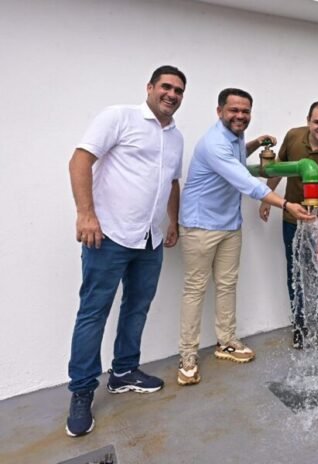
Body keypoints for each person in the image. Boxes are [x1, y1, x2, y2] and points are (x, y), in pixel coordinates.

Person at [66, 65, 187, 437]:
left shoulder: (176, 137)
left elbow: (171, 182)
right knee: (93, 312)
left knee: (137, 306)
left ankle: (123, 371)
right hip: (109, 236)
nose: (171, 94)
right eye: (166, 86)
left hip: (150, 240)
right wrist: (86, 214)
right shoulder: (119, 117)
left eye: (178, 90)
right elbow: (80, 160)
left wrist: (173, 221)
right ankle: (82, 391)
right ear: (150, 87)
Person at [177, 88, 314, 386]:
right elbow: (247, 182)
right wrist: (286, 204)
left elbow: (238, 158)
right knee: (195, 288)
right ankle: (187, 355)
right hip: (201, 225)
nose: (240, 116)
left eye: (245, 111)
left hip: (229, 223)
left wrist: (254, 143)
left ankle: (226, 341)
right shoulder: (214, 143)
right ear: (219, 112)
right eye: (233, 110)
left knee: (227, 284)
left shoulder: (235, 137)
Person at [259, 100, 318, 349]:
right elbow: (277, 169)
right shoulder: (293, 137)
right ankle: (299, 326)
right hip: (293, 220)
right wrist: (268, 198)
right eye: (317, 122)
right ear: (308, 121)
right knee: (296, 273)